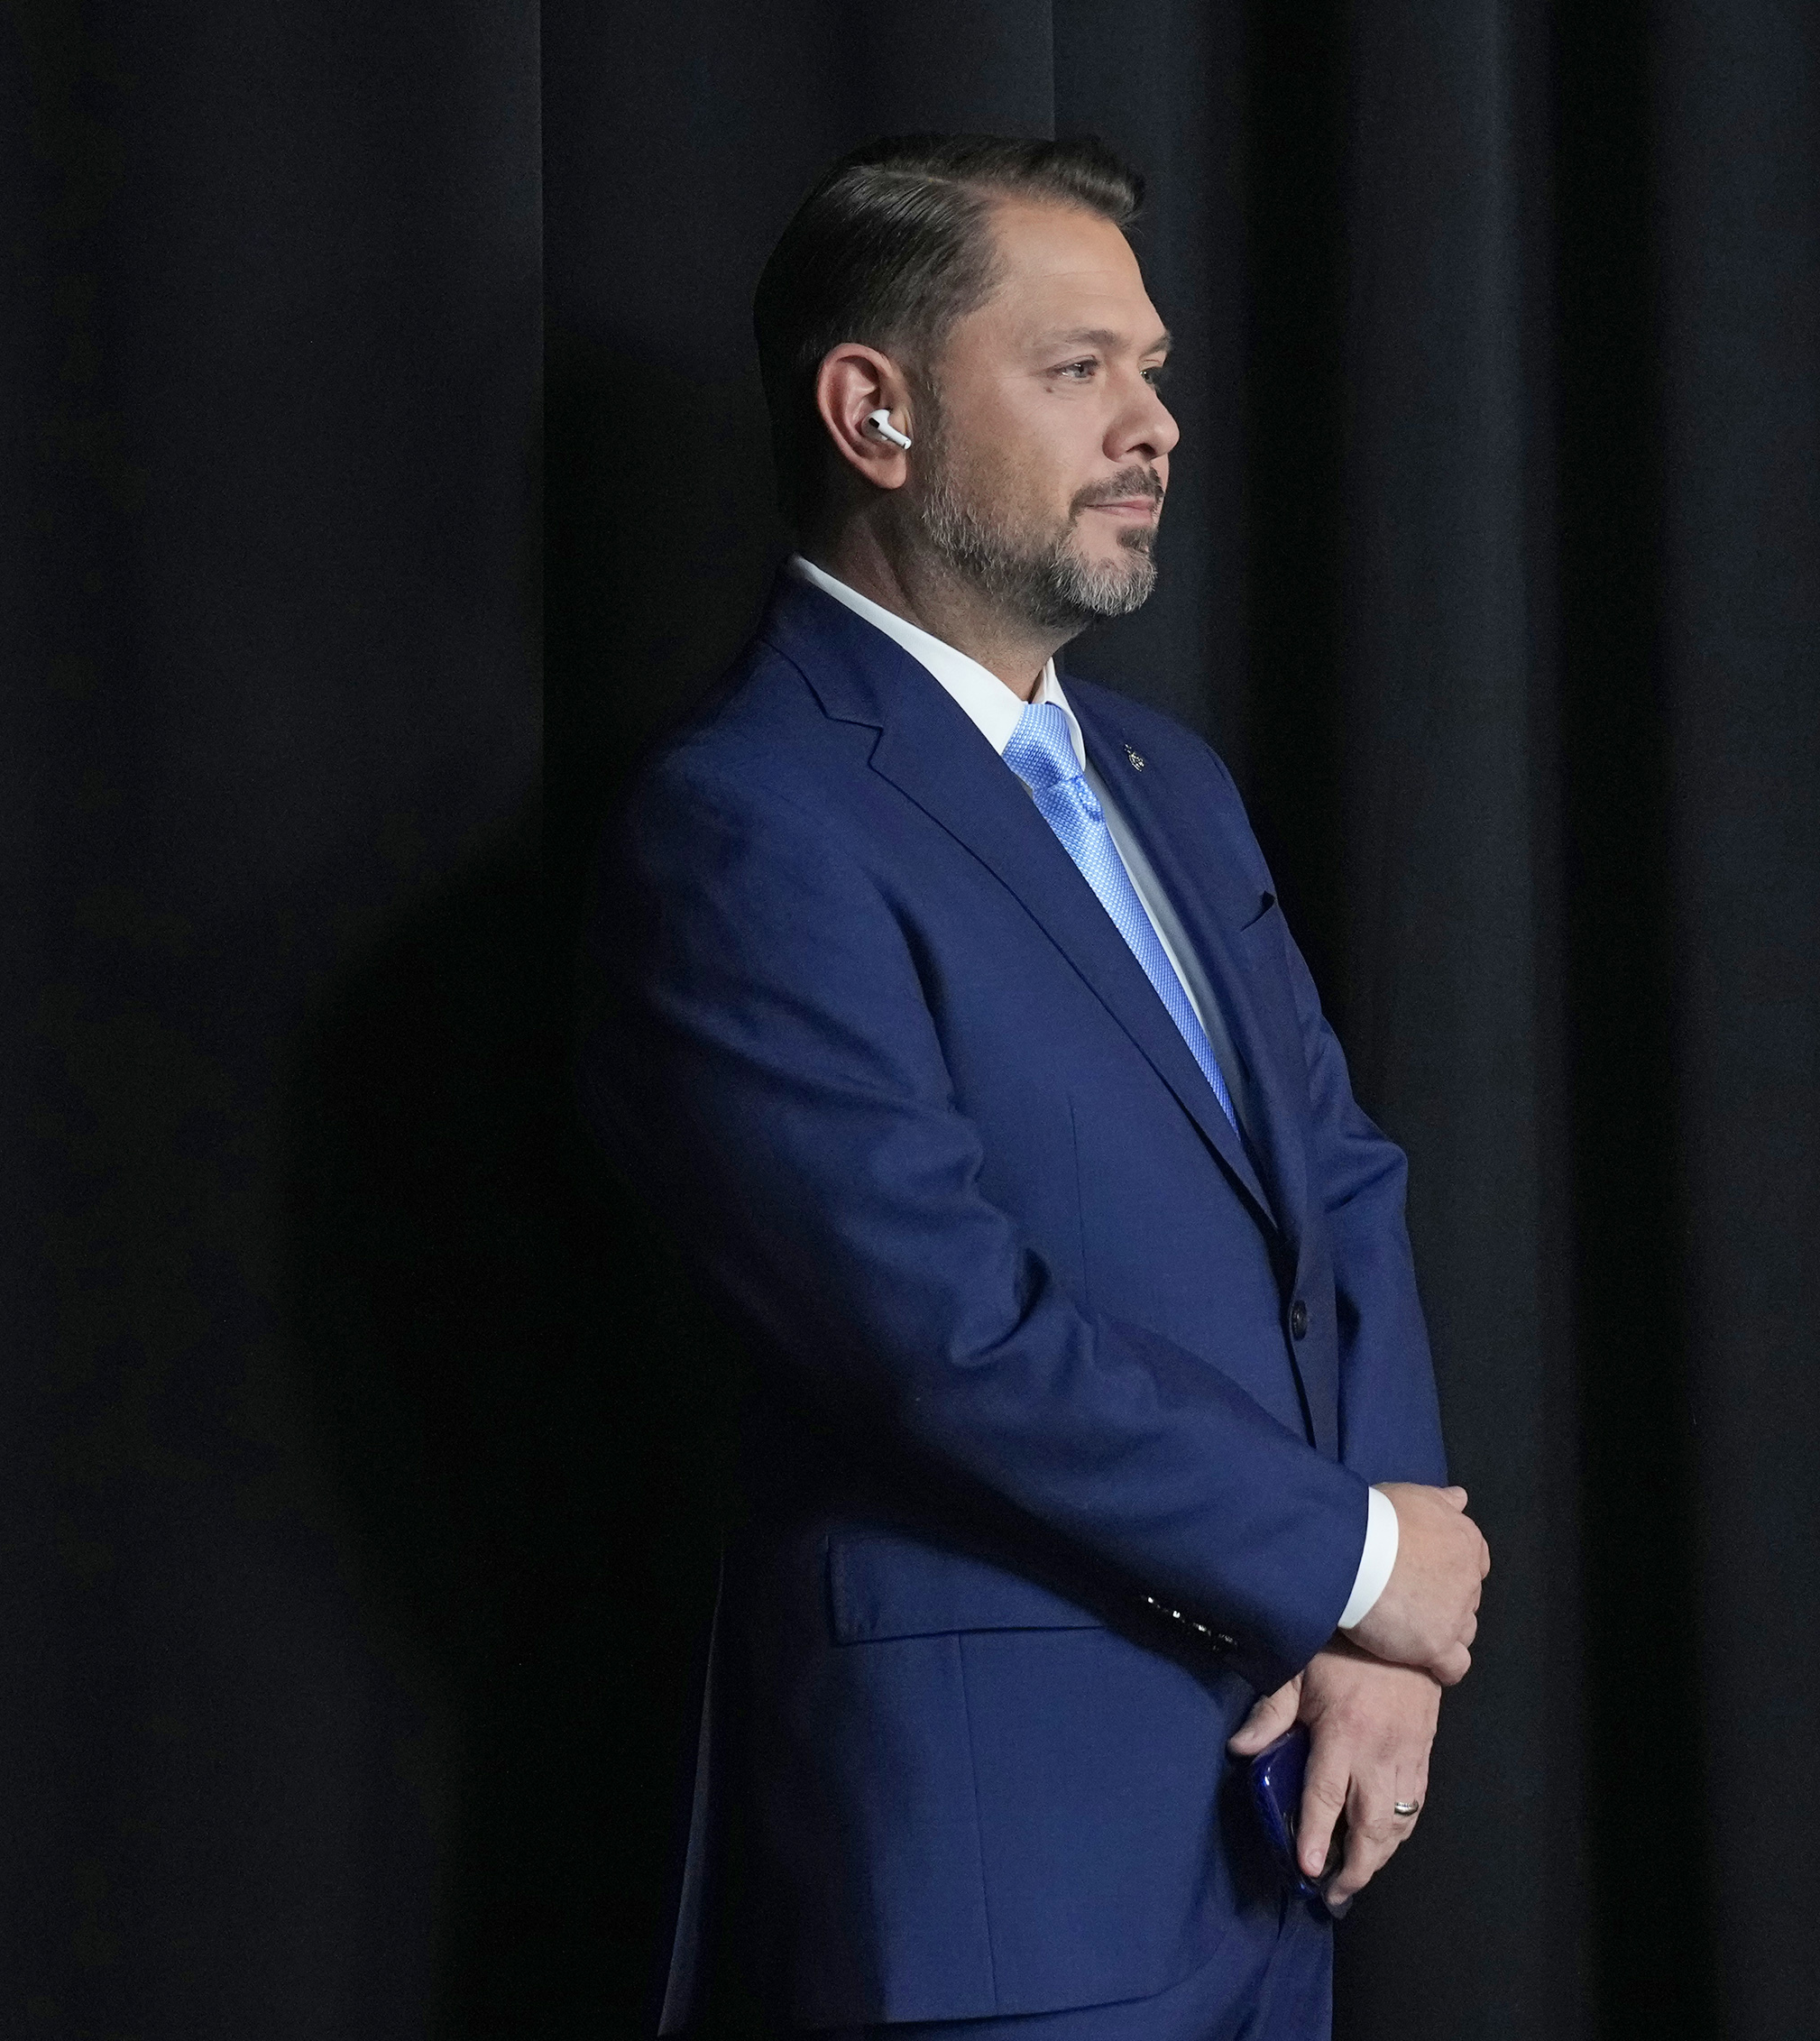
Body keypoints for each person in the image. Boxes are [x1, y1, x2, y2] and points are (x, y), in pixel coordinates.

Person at [576, 133, 1488, 2039]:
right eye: (1081, 371)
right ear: (874, 411)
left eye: (1151, 372)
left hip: (1272, 1819)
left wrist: (1377, 1624)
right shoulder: (744, 822)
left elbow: (1341, 1180)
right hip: (991, 1874)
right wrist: (1364, 1558)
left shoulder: (1171, 780)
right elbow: (939, 1330)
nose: (1153, 424)